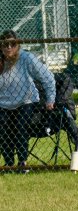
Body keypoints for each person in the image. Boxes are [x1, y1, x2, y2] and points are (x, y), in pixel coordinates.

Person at [0, 30, 55, 172]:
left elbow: (47, 77)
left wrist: (50, 99)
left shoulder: (26, 58)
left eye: (13, 44)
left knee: (21, 126)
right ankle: (9, 163)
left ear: (18, 45)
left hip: (26, 100)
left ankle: (22, 162)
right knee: (2, 127)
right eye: (5, 44)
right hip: (3, 103)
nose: (9, 47)